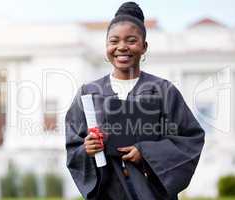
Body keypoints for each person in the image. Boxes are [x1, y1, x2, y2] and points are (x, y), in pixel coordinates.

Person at [65, 2, 205, 200]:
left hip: (151, 193)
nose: (122, 47)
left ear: (144, 46)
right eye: (114, 41)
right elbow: (74, 145)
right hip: (108, 192)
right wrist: (86, 149)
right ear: (107, 46)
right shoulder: (88, 93)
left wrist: (146, 153)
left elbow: (190, 139)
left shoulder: (164, 91)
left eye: (131, 40)